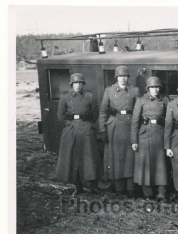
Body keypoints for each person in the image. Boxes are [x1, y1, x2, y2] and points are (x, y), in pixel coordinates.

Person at [55, 73, 103, 196]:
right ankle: (78, 185)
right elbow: (60, 116)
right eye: (76, 83)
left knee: (90, 157)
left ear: (83, 84)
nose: (78, 85)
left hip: (86, 128)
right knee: (73, 158)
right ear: (72, 84)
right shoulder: (65, 97)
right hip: (72, 129)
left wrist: (88, 124)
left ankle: (93, 185)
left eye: (80, 83)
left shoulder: (89, 96)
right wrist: (69, 124)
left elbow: (95, 114)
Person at [99, 66, 139, 198]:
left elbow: (138, 111)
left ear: (128, 77)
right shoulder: (109, 90)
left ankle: (131, 188)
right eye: (120, 76)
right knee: (116, 157)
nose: (123, 78)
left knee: (130, 157)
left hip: (129, 125)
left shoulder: (134, 90)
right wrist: (102, 129)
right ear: (116, 77)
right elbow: (103, 111)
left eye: (125, 76)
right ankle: (119, 187)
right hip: (114, 125)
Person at [131, 77, 169, 200]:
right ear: (148, 88)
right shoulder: (141, 100)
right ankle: (147, 193)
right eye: (152, 87)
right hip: (145, 134)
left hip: (160, 133)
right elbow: (135, 121)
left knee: (161, 163)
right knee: (144, 164)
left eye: (157, 87)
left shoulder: (165, 100)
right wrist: (134, 140)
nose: (155, 90)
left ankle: (161, 192)